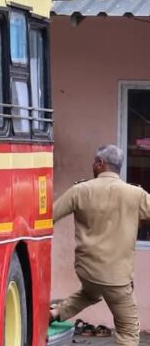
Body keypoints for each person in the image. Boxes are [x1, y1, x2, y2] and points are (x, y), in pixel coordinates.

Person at [50, 144, 150, 345]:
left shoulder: (79, 190)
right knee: (129, 332)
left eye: (94, 161)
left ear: (100, 164)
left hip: (87, 271)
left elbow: (49, 216)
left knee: (90, 293)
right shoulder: (135, 195)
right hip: (116, 278)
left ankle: (54, 313)